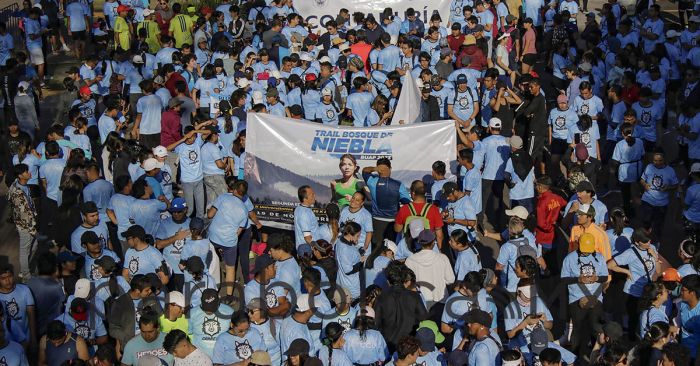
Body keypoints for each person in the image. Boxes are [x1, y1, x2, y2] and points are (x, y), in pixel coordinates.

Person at [561, 233, 608, 358]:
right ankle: (574, 358)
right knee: (577, 328)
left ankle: (597, 357)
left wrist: (596, 277)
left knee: (595, 328)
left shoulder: (599, 257)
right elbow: (564, 279)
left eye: (588, 250)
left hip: (596, 298)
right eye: (584, 250)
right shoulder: (569, 258)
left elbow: (605, 277)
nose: (586, 253)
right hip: (576, 298)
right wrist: (578, 279)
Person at [7, 164, 38, 279]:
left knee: (34, 245)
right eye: (26, 171)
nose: (29, 173)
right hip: (25, 226)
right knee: (25, 250)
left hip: (29, 223)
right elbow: (24, 215)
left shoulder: (20, 184)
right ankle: (25, 274)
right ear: (20, 175)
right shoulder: (18, 194)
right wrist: (33, 230)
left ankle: (24, 269)